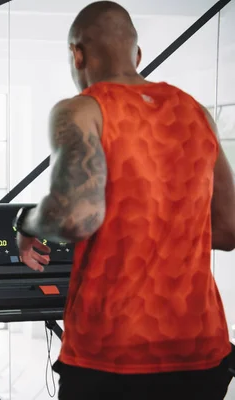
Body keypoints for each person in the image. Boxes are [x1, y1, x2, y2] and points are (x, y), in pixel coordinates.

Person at [12, 1, 235, 399]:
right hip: (201, 349)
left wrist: (25, 224)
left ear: (76, 53)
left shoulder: (83, 110)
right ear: (137, 55)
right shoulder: (198, 114)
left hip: (112, 354)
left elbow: (77, 217)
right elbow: (229, 229)